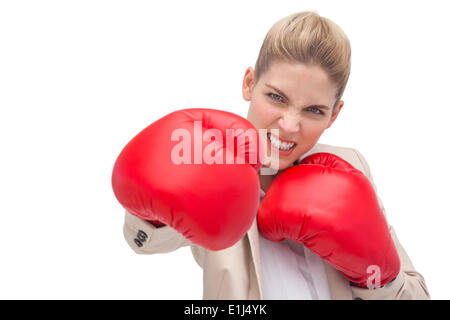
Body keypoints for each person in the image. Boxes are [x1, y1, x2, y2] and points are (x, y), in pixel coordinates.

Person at [119, 11, 430, 299]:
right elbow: (140, 241)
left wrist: (376, 276)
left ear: (334, 115)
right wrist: (149, 212)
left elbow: (415, 293)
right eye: (277, 97)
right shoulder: (213, 162)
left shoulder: (350, 165)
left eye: (313, 110)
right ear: (249, 84)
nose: (289, 126)